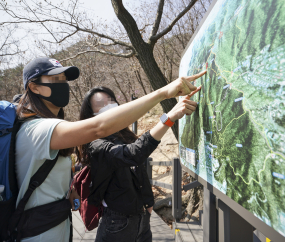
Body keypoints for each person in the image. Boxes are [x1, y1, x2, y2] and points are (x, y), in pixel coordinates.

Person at [15, 56, 205, 242]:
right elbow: (104, 131)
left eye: (64, 79)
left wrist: (69, 188)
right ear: (33, 87)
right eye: (55, 79)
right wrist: (163, 95)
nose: (63, 84)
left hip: (61, 227)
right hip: (41, 232)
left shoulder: (117, 134)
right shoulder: (37, 129)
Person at [75, 86, 199, 242]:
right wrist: (169, 117)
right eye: (101, 104)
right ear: (91, 116)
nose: (109, 106)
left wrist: (148, 203)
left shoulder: (123, 134)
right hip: (117, 223)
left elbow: (138, 170)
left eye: (111, 100)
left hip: (141, 218)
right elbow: (134, 153)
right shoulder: (96, 145)